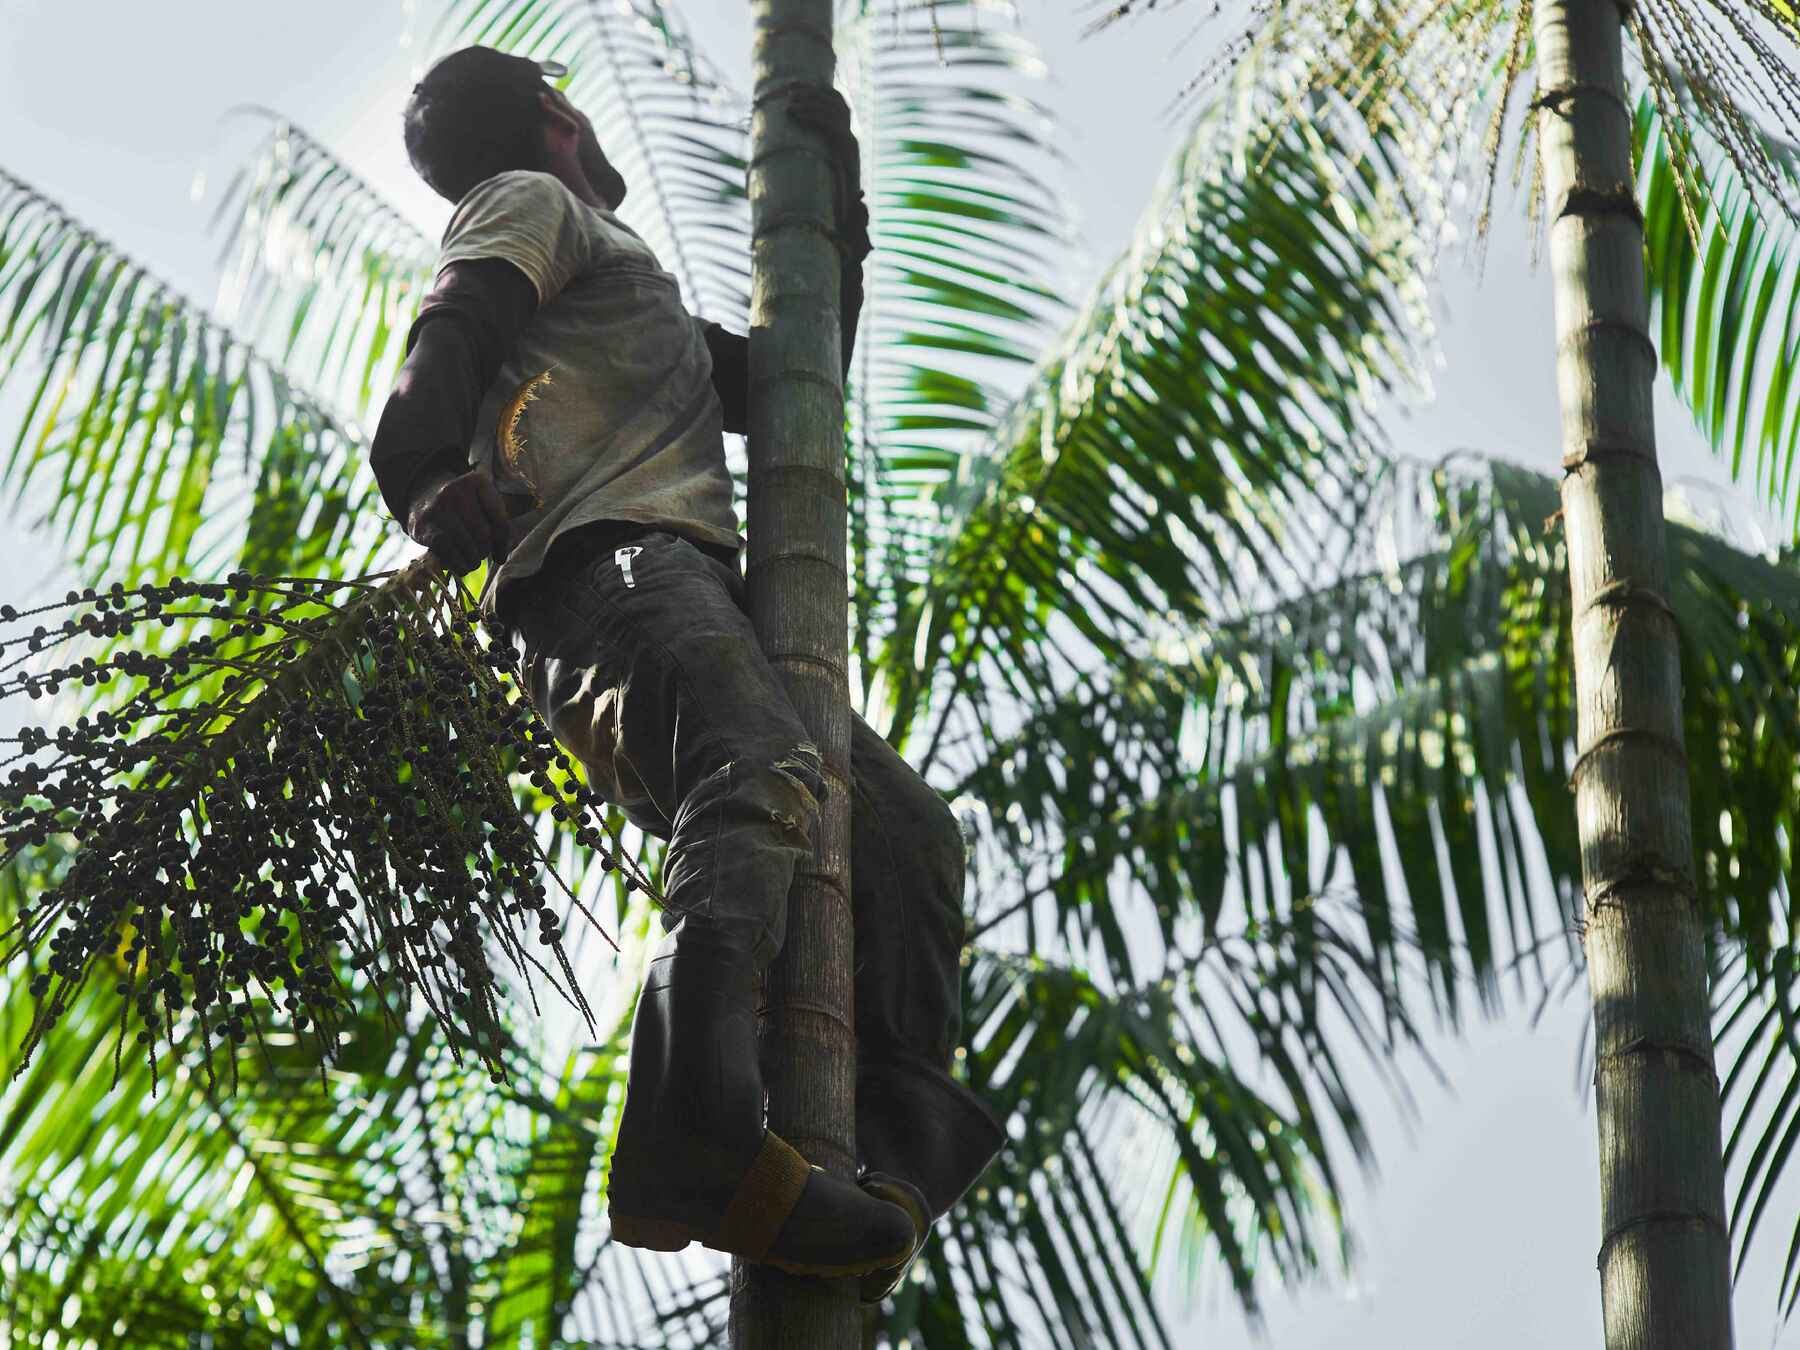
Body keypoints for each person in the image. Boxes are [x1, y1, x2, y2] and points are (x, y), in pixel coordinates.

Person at [371, 46, 1003, 1300]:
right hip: (605, 576)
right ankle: (698, 1138)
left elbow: (786, 390)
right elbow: (450, 332)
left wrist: (838, 230)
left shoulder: (623, 296)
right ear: (557, 112)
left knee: (904, 840)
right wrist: (425, 470)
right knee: (756, 767)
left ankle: (877, 1160)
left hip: (685, 600)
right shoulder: (529, 202)